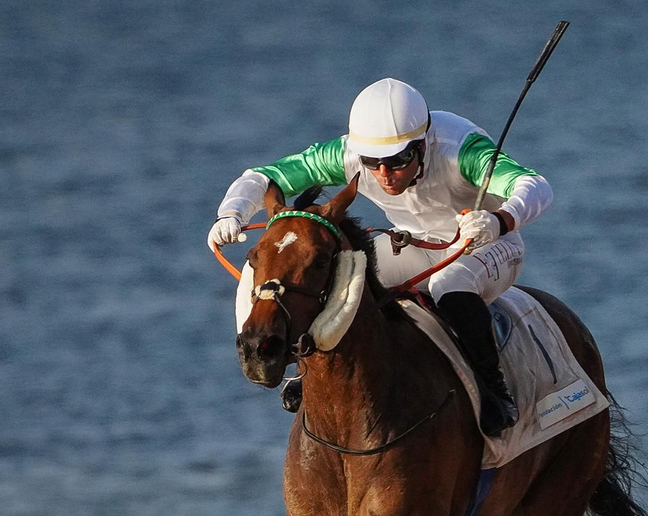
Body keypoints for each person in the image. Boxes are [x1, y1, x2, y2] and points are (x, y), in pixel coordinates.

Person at [209, 78, 552, 437]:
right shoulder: (347, 155)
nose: (385, 175)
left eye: (398, 160)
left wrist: (498, 221)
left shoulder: (460, 149)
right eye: (372, 163)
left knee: (449, 282)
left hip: (487, 244)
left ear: (422, 145)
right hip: (415, 245)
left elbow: (534, 185)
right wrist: (231, 212)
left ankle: (494, 388)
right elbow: (265, 176)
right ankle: (305, 371)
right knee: (348, 275)